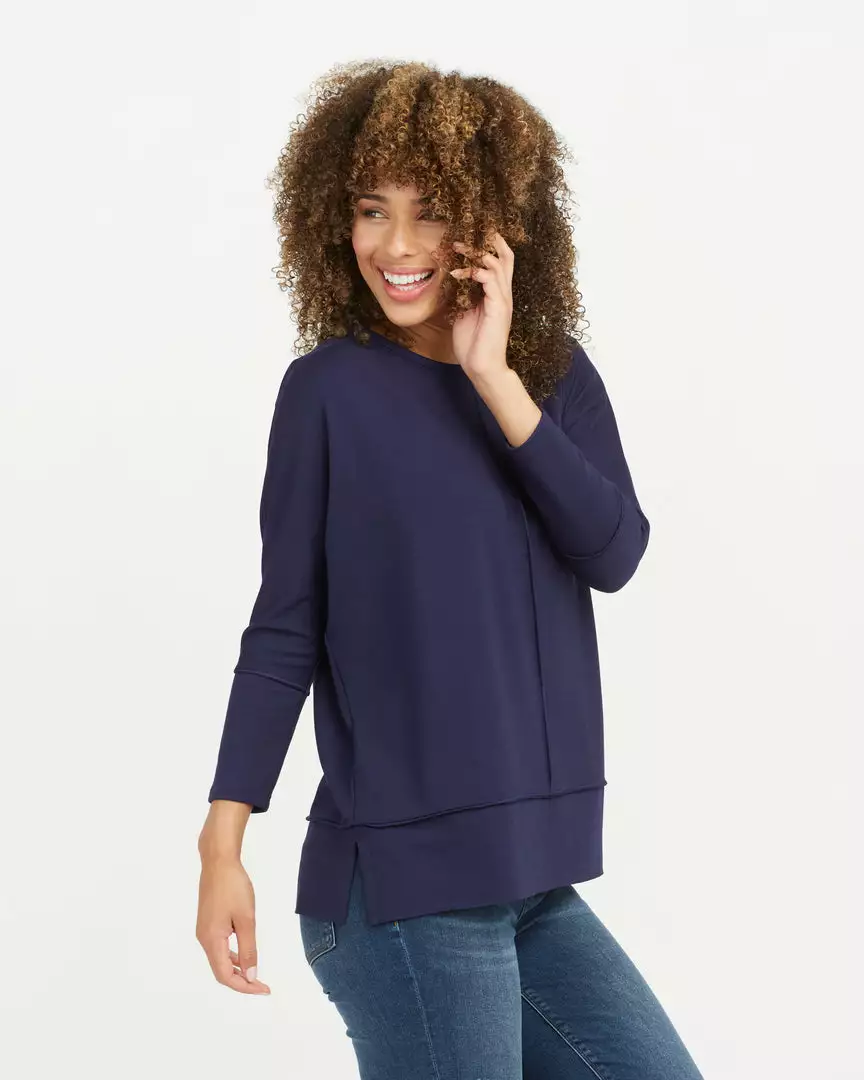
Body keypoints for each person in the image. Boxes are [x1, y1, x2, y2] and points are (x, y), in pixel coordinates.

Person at [196, 58, 705, 1079]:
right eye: (371, 210)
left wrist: (495, 379)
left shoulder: (550, 375)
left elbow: (614, 551)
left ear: (488, 225)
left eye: (429, 213)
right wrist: (222, 846)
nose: (395, 246)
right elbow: (285, 626)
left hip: (534, 883)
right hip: (399, 892)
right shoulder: (328, 393)